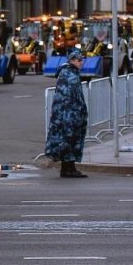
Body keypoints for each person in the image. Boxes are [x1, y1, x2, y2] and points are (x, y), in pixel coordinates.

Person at [45, 48, 88, 178]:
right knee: (69, 139)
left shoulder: (68, 73)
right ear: (72, 61)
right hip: (69, 114)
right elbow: (70, 98)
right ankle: (69, 169)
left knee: (67, 140)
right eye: (79, 60)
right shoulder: (69, 75)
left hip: (66, 114)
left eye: (82, 60)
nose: (81, 62)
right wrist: (76, 113)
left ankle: (67, 168)